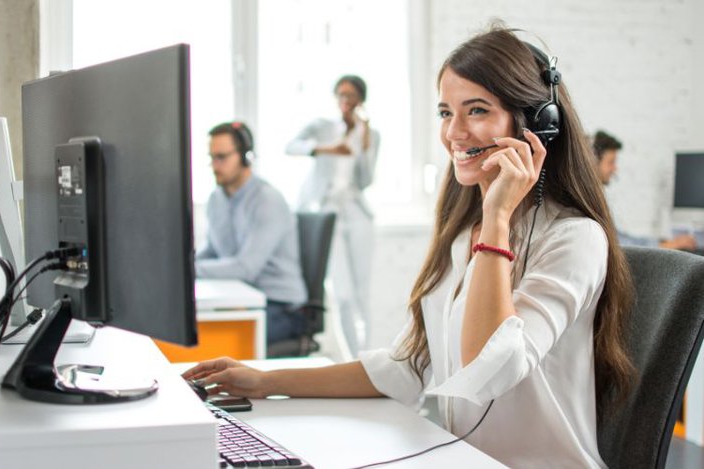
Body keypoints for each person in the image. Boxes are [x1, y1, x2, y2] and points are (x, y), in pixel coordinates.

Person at [185, 28, 635, 468]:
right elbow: (407, 366)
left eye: (476, 110)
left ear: (539, 125)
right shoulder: (464, 236)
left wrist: (497, 219)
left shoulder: (574, 239)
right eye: (445, 112)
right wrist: (265, 381)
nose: (454, 133)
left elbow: (491, 372)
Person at [285, 75, 381, 356]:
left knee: (362, 292)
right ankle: (352, 359)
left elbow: (365, 180)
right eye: (340, 94)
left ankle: (367, 356)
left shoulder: (370, 134)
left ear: (360, 100)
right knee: (343, 294)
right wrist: (326, 148)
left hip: (356, 212)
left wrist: (364, 144)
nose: (345, 100)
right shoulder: (322, 127)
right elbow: (290, 146)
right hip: (326, 212)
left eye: (351, 95)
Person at [195, 122, 307, 348]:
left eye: (222, 157)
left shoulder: (267, 200)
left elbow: (246, 268)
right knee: (195, 328)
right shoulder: (216, 199)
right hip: (243, 299)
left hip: (281, 307)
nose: (215, 165)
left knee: (208, 340)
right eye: (211, 158)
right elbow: (214, 251)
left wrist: (188, 271)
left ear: (246, 157)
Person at [593, 130, 698, 250]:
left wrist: (661, 243)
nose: (615, 168)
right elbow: (620, 245)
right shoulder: (591, 201)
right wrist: (668, 245)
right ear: (594, 162)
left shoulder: (598, 197)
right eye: (611, 162)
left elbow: (620, 237)